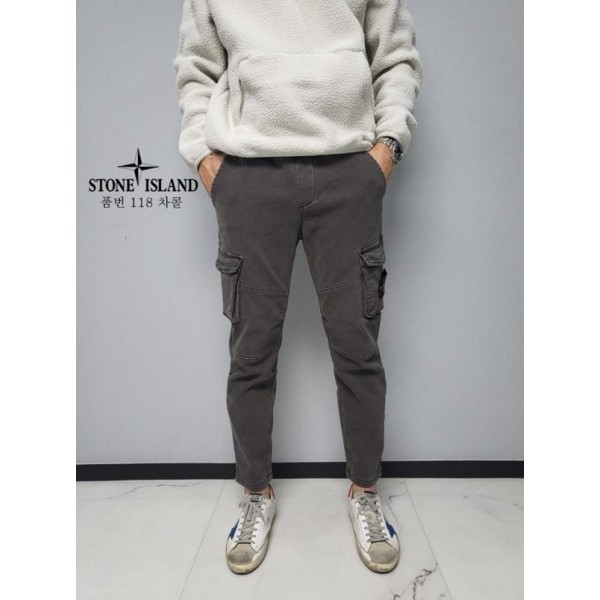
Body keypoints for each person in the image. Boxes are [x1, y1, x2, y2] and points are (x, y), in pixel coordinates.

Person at [173, 0, 422, 575]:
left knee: (357, 346)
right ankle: (255, 493)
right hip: (248, 173)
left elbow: (395, 57)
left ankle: (366, 491)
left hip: (348, 169)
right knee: (251, 350)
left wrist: (388, 147)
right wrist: (203, 156)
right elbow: (196, 67)